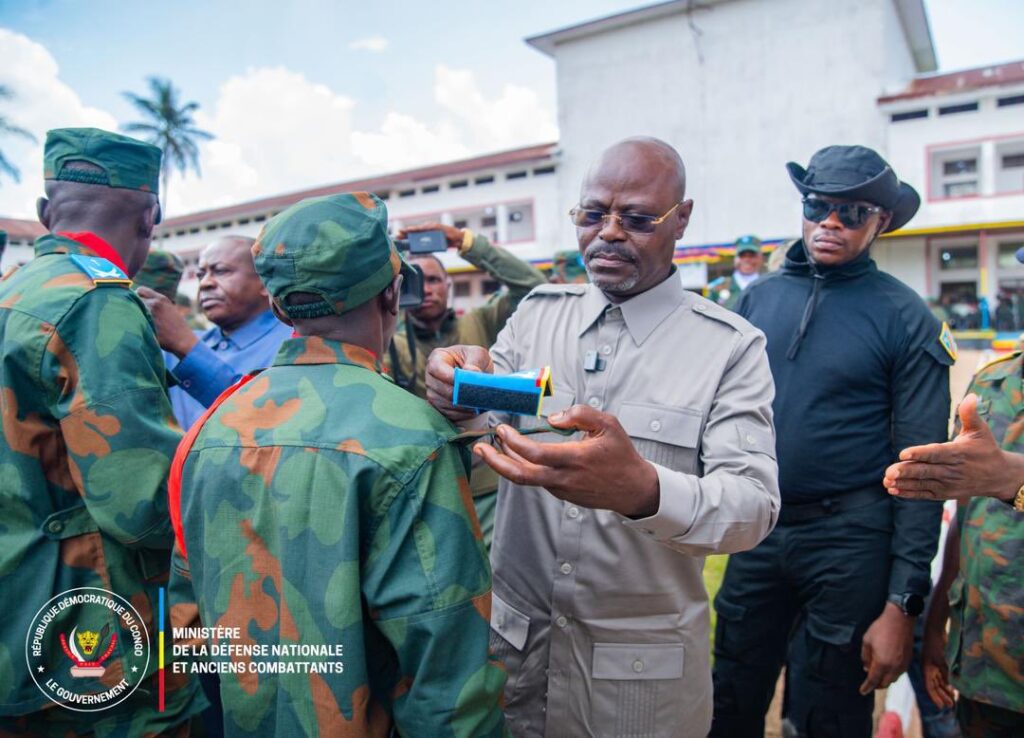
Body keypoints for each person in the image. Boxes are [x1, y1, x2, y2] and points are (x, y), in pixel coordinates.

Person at [424, 137, 780, 737]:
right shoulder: (538, 314)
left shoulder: (730, 348)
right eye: (592, 214)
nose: (608, 233)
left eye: (637, 218)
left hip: (637, 687)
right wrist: (455, 392)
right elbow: (488, 417)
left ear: (681, 219)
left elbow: (752, 507)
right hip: (514, 661)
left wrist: (643, 489)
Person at [168, 192, 506, 737]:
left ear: (278, 308)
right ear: (394, 292)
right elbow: (447, 671)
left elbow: (188, 623)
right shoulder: (413, 440)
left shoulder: (210, 430)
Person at [712, 145, 953, 738]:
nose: (830, 222)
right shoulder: (756, 300)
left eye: (852, 212)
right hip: (758, 529)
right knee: (727, 699)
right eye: (818, 206)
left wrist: (902, 605)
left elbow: (921, 473)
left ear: (881, 222)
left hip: (851, 543)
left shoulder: (905, 317)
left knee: (830, 713)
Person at [0, 127, 204, 734]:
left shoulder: (13, 291)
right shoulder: (97, 300)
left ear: (44, 214)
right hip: (96, 635)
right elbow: (141, 503)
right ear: (151, 217)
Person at [389, 221, 546, 546]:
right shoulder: (393, 344)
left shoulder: (482, 321)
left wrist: (465, 241)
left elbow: (534, 288)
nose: (427, 288)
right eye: (416, 281)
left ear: (449, 285)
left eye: (434, 279)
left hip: (491, 483)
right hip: (430, 488)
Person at [138, 235, 291, 429]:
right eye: (201, 274)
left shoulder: (293, 342)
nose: (205, 283)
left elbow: (270, 419)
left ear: (264, 282)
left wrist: (187, 348)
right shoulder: (172, 347)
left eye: (221, 271)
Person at [708, 234, 765, 309]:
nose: (747, 259)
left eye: (752, 255)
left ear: (760, 258)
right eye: (742, 255)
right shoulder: (718, 288)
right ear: (735, 259)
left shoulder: (768, 286)